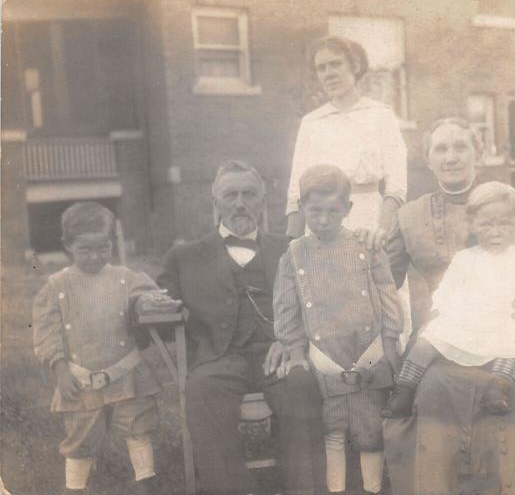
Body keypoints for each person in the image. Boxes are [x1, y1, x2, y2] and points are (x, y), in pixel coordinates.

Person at [382, 118, 515, 495]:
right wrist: (386, 342)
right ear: (428, 160)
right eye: (441, 149)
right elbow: (382, 283)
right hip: (447, 330)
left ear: (478, 155)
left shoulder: (510, 206)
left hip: (506, 326)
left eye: (461, 147)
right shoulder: (409, 216)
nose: (451, 157)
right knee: (434, 387)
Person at [146, 160, 327, 495]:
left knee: (302, 384)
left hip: (279, 354)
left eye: (249, 194)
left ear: (263, 201)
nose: (240, 203)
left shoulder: (291, 247)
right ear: (215, 203)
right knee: (201, 389)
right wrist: (142, 304)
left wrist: (293, 339)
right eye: (231, 195)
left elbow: (319, 305)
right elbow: (156, 304)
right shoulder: (185, 256)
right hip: (219, 357)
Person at [32, 201, 179, 495]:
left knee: (137, 425)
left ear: (112, 243)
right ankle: (75, 486)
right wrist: (60, 367)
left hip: (126, 370)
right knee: (80, 434)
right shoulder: (57, 286)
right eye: (85, 249)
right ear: (67, 245)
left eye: (103, 248)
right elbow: (47, 331)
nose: (96, 256)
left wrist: (146, 301)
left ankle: (145, 480)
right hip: (81, 374)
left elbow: (144, 293)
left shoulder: (125, 278)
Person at [274, 164, 403, 494]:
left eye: (333, 211)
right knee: (332, 428)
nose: (323, 219)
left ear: (347, 209)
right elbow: (287, 310)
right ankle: (336, 489)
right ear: (301, 207)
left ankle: (372, 487)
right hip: (324, 356)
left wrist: (390, 341)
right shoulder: (295, 254)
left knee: (370, 428)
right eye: (314, 211)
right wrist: (295, 352)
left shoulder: (365, 246)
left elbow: (388, 294)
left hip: (367, 351)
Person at [382, 182, 515, 418]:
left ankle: (498, 388)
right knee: (428, 340)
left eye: (504, 224)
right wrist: (437, 313)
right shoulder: (465, 258)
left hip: (507, 320)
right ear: (473, 225)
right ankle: (404, 390)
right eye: (486, 225)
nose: (495, 232)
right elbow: (447, 289)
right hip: (468, 320)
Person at [285, 35, 407, 240]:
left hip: (369, 221)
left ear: (355, 66)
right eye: (321, 68)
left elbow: (397, 185)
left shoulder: (381, 115)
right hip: (321, 223)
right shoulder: (311, 123)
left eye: (335, 64)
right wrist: (292, 244)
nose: (329, 73)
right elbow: (295, 192)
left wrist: (381, 231)